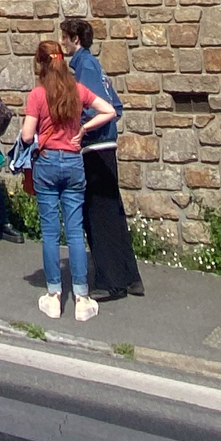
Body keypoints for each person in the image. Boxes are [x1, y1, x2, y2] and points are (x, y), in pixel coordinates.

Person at [20, 38, 117, 320]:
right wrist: (84, 128)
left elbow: (27, 136)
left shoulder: (37, 95)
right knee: (75, 231)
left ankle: (53, 295)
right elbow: (109, 111)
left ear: (41, 63)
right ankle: (81, 297)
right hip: (74, 160)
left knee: (50, 232)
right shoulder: (78, 90)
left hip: (48, 162)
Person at [60, 17, 142, 298]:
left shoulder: (85, 65)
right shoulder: (92, 65)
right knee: (113, 211)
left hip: (96, 147)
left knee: (98, 213)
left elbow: (102, 108)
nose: (62, 42)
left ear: (76, 40)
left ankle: (111, 282)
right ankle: (130, 276)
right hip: (104, 145)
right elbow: (115, 105)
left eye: (65, 37)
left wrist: (79, 127)